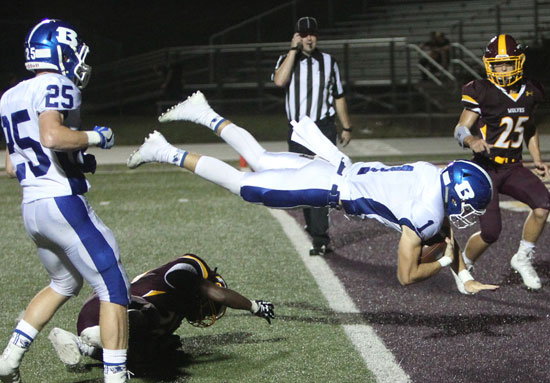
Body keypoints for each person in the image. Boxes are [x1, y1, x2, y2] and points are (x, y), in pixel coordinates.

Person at [128, 91, 499, 295]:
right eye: (467, 205)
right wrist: (447, 265)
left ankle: (202, 111)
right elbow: (406, 275)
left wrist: (464, 278)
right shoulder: (427, 214)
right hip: (326, 186)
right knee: (243, 186)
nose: (464, 214)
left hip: (333, 166)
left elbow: (444, 225)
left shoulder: (430, 173)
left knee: (257, 158)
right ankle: (163, 150)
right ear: (458, 194)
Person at [0, 19, 160, 383]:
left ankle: (9, 358)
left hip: (32, 206)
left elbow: (11, 165)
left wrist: (76, 161)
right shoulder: (57, 84)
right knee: (114, 286)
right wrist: (95, 138)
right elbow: (52, 136)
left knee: (63, 283)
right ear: (59, 52)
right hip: (62, 204)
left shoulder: (10, 95)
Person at [48, 253, 274, 373]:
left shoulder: (177, 312)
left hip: (107, 317)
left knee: (162, 350)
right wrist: (253, 306)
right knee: (150, 318)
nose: (203, 315)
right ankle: (101, 335)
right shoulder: (187, 270)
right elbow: (218, 294)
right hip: (104, 308)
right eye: (207, 308)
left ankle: (82, 344)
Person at [454, 34, 549, 290]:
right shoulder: (481, 90)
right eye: (497, 65)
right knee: (491, 233)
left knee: (543, 206)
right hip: (486, 169)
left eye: (507, 63)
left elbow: (528, 127)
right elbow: (461, 128)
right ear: (489, 65)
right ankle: (463, 266)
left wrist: (537, 159)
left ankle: (522, 257)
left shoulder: (531, 90)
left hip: (514, 166)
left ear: (518, 62)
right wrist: (471, 140)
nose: (503, 69)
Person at [272, 16, 353, 256]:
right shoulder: (288, 60)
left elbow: (338, 95)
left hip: (323, 128)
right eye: (304, 34)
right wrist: (292, 51)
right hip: (298, 129)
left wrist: (346, 126)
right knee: (302, 181)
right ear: (297, 36)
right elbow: (279, 81)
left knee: (321, 181)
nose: (309, 38)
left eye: (312, 34)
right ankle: (313, 224)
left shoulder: (329, 62)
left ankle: (320, 237)